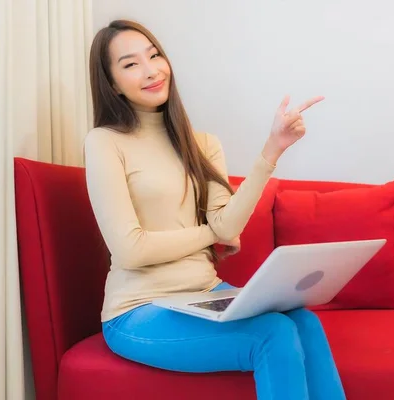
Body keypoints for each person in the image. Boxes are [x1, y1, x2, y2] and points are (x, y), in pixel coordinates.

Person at [84, 19, 346, 400]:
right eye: (130, 64)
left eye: (154, 55)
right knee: (273, 333)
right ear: (111, 84)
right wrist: (212, 233)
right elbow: (130, 249)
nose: (151, 69)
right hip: (138, 309)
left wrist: (272, 150)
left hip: (204, 294)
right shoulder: (105, 142)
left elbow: (229, 223)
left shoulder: (202, 144)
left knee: (303, 322)